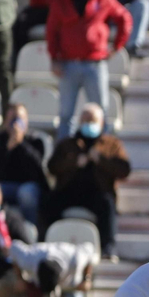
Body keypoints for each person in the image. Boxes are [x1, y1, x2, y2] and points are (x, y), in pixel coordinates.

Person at [48, 0, 131, 139]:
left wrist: (117, 46)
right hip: (68, 64)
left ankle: (102, 152)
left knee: (101, 112)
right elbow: (52, 31)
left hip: (94, 64)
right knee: (66, 115)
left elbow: (124, 19)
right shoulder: (62, 0)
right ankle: (65, 153)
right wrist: (54, 57)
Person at [43, 103, 131, 258]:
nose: (89, 124)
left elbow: (124, 170)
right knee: (50, 202)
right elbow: (52, 167)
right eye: (85, 120)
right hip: (69, 192)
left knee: (107, 204)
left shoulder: (112, 144)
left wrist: (101, 160)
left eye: (92, 120)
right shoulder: (67, 143)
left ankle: (108, 248)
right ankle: (45, 243)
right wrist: (74, 162)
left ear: (101, 123)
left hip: (98, 193)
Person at [0, 103, 49, 225]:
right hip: (4, 184)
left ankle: (30, 228)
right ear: (5, 121)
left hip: (27, 185)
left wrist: (20, 143)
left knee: (26, 193)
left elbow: (37, 164)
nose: (15, 123)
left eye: (19, 118)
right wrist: (8, 147)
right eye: (12, 118)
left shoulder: (35, 140)